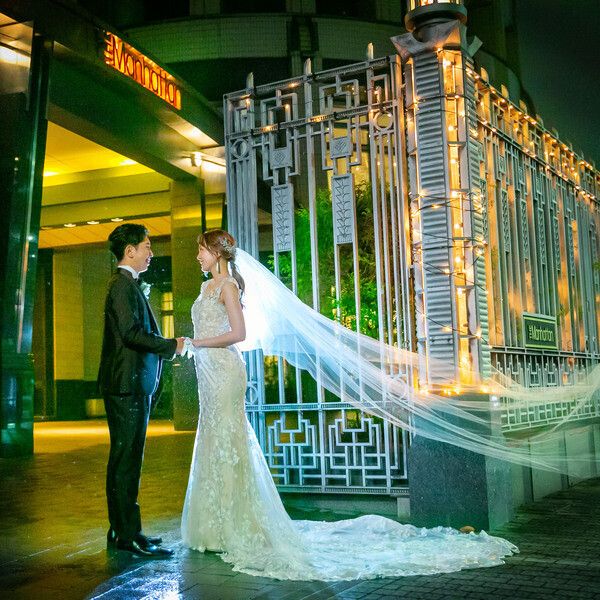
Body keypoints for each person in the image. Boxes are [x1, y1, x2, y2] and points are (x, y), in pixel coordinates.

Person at [180, 229, 517, 580]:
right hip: (208, 372)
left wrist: (197, 343)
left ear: (217, 252)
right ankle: (212, 525)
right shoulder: (206, 288)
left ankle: (234, 524)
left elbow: (239, 334)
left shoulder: (229, 287)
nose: (198, 256)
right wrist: (197, 346)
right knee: (212, 438)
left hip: (225, 371)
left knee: (229, 439)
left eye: (201, 249)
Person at [98, 223, 184, 558]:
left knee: (126, 458)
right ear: (130, 250)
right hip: (126, 385)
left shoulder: (127, 284)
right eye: (147, 246)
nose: (151, 252)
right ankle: (128, 535)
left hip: (131, 384)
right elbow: (131, 334)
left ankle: (120, 528)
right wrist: (171, 345)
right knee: (126, 459)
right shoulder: (121, 285)